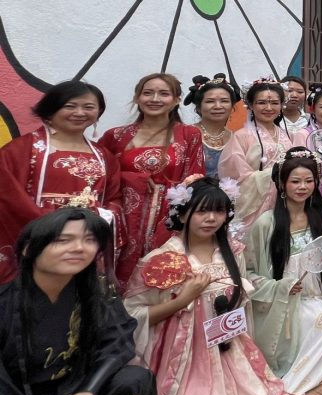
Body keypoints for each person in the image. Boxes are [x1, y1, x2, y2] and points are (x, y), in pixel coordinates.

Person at [124, 177, 297, 395]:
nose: (211, 219)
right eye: (202, 211)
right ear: (181, 213)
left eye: (218, 211)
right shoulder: (162, 260)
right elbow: (132, 313)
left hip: (229, 350)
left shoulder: (231, 252)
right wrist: (182, 301)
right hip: (183, 359)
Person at [0, 209, 154, 395]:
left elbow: (118, 342)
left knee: (134, 379)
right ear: (28, 249)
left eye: (90, 240)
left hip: (72, 392)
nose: (79, 248)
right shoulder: (5, 304)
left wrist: (85, 392)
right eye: (63, 240)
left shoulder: (96, 295)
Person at [245, 148, 322, 393]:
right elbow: (248, 275)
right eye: (295, 181)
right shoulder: (266, 224)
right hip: (281, 303)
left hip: (315, 297)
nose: (302, 187)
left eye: (308, 181)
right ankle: (292, 381)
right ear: (282, 184)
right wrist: (281, 286)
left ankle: (300, 377)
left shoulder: (321, 220)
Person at [0, 81, 122, 284]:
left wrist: (99, 217)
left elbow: (113, 198)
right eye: (70, 106)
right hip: (40, 235)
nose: (80, 113)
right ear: (51, 108)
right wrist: (50, 224)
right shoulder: (22, 149)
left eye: (89, 107)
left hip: (84, 240)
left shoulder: (104, 156)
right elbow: (8, 196)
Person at [99, 73, 205, 290]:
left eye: (164, 93)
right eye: (147, 93)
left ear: (176, 100)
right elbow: (100, 174)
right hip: (124, 220)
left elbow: (195, 178)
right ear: (137, 98)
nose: (154, 99)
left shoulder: (189, 134)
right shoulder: (116, 136)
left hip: (168, 219)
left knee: (163, 281)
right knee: (115, 283)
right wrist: (127, 177)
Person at [218, 79, 303, 227]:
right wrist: (273, 174)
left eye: (275, 103)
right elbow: (235, 176)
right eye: (262, 102)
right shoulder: (242, 136)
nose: (269, 108)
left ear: (282, 105)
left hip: (284, 201)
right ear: (250, 105)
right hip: (254, 206)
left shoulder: (287, 135)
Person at [186, 75, 237, 178]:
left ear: (232, 106)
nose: (218, 106)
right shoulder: (186, 135)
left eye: (224, 101)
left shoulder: (237, 138)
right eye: (210, 101)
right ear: (199, 107)